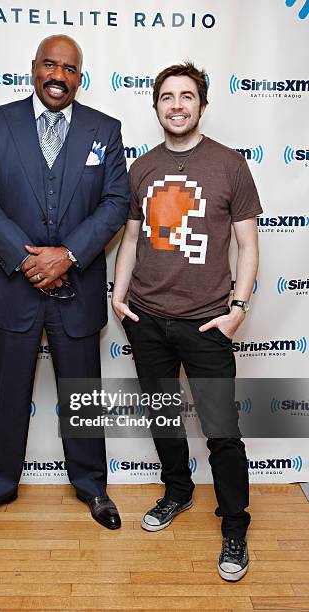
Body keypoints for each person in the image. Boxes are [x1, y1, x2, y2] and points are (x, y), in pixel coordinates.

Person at [0, 34, 129, 531]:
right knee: (6, 394)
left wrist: (68, 255)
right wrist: (26, 258)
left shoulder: (105, 129)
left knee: (82, 395)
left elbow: (115, 202)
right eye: (50, 66)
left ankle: (94, 489)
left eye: (70, 69)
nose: (59, 76)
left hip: (76, 286)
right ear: (34, 68)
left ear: (81, 76)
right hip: (13, 285)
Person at [113, 61, 261, 580]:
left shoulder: (229, 165)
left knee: (222, 430)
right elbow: (130, 240)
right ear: (155, 106)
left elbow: (247, 244)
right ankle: (177, 491)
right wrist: (119, 295)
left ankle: (235, 524)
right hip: (147, 319)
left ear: (202, 104)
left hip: (206, 324)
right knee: (164, 419)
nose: (177, 105)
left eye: (187, 96)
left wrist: (237, 309)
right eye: (167, 97)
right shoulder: (142, 169)